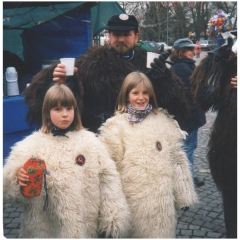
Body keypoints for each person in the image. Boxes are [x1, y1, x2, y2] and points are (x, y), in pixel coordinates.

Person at [24, 14, 190, 133]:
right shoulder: (89, 64)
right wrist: (62, 83)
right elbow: (63, 104)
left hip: (140, 137)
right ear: (109, 36)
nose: (121, 39)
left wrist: (163, 79)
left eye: (127, 35)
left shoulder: (151, 62)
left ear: (136, 36)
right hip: (103, 139)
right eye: (116, 35)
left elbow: (178, 107)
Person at [3, 84, 131, 238]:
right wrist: (17, 178)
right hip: (46, 229)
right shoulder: (30, 146)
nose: (65, 114)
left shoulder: (90, 142)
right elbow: (7, 191)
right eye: (58, 109)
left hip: (85, 228)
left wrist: (113, 216)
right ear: (47, 112)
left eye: (69, 109)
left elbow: (108, 178)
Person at [98, 71, 198, 238]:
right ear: (126, 95)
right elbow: (108, 170)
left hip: (161, 203)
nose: (141, 97)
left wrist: (183, 193)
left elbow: (176, 156)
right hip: (133, 203)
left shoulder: (162, 120)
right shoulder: (116, 127)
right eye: (135, 93)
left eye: (145, 93)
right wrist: (112, 210)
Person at [190, 40, 237, 238]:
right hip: (229, 145)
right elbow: (203, 99)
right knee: (232, 196)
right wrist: (214, 64)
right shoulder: (229, 67)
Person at [169, 38, 206, 187]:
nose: (193, 52)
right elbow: (190, 93)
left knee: (189, 147)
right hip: (188, 117)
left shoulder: (183, 66)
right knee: (188, 148)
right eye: (190, 49)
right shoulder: (182, 68)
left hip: (189, 116)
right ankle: (187, 180)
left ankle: (188, 177)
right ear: (182, 52)